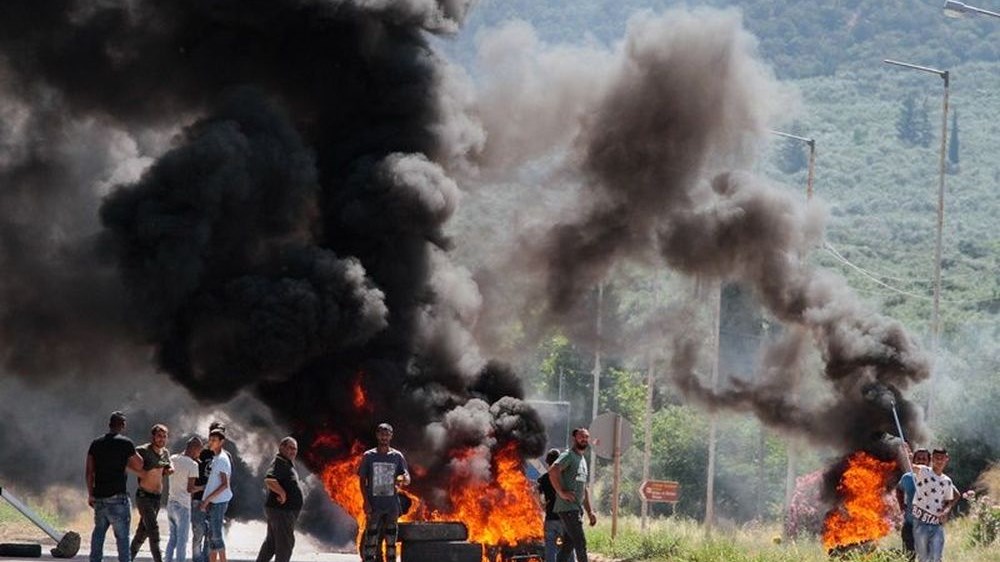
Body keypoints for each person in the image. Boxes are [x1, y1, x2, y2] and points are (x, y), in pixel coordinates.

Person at [87, 411, 145, 562]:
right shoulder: (126, 443)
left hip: (99, 498)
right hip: (118, 499)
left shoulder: (96, 444)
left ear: (109, 425)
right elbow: (139, 465)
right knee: (122, 539)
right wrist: (125, 462)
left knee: (98, 535)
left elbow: (89, 472)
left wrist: (91, 494)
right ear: (123, 425)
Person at [358, 423, 410, 562]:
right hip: (374, 506)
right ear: (377, 435)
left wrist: (404, 479)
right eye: (382, 433)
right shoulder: (369, 456)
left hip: (391, 506)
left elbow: (406, 477)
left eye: (387, 434)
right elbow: (362, 481)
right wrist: (366, 502)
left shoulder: (397, 456)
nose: (384, 437)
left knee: (391, 542)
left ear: (391, 436)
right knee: (371, 542)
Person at [548, 428, 597, 562]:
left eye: (586, 437)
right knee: (581, 542)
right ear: (574, 438)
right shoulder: (569, 455)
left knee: (568, 546)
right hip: (568, 508)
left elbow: (584, 488)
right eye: (581, 437)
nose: (584, 439)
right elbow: (553, 470)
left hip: (576, 509)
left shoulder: (582, 459)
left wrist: (590, 512)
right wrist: (561, 492)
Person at [255, 437, 303, 562]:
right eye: (290, 448)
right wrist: (282, 493)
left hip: (280, 511)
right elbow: (269, 479)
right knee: (285, 545)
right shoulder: (279, 462)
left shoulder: (285, 463)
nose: (293, 451)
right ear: (281, 447)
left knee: (271, 544)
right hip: (282, 511)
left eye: (295, 449)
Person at [131, 424, 173, 562]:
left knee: (142, 533)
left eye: (164, 436)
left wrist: (170, 469)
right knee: (153, 531)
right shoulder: (143, 450)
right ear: (153, 437)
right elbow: (127, 462)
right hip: (144, 497)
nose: (162, 439)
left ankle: (127, 558)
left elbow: (168, 464)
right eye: (159, 436)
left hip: (156, 498)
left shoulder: (165, 452)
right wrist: (140, 473)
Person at [911, 448, 958, 562]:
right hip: (921, 522)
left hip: (937, 524)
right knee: (923, 558)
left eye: (942, 458)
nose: (939, 461)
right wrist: (907, 455)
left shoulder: (947, 481)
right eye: (937, 458)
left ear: (946, 459)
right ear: (932, 459)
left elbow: (950, 500)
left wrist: (946, 510)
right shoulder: (924, 471)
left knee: (936, 558)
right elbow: (912, 466)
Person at [166, 437, 203, 562]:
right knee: (182, 540)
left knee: (172, 539)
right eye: (199, 451)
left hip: (171, 503)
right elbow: (190, 489)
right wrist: (203, 487)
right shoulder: (193, 465)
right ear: (194, 448)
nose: (199, 454)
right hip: (183, 506)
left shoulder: (173, 458)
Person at [191, 423, 224, 562]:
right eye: (213, 434)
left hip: (215, 501)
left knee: (212, 535)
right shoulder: (202, 452)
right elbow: (191, 473)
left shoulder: (225, 456)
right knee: (198, 533)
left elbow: (226, 480)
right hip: (199, 498)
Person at [201, 429, 233, 562]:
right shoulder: (216, 458)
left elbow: (225, 484)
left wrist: (207, 499)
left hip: (218, 502)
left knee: (216, 536)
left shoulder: (222, 460)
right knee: (212, 537)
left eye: (214, 440)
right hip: (214, 502)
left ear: (221, 442)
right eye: (210, 439)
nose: (211, 442)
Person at [537, 449, 573, 562]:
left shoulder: (543, 479)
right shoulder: (566, 477)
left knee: (550, 549)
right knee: (568, 548)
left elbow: (534, 491)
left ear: (547, 462)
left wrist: (541, 504)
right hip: (566, 518)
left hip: (551, 519)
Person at [896, 447, 931, 562]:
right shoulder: (907, 478)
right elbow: (899, 489)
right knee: (908, 557)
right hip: (910, 524)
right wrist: (902, 505)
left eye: (924, 459)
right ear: (914, 461)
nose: (921, 461)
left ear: (928, 462)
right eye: (918, 458)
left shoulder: (934, 478)